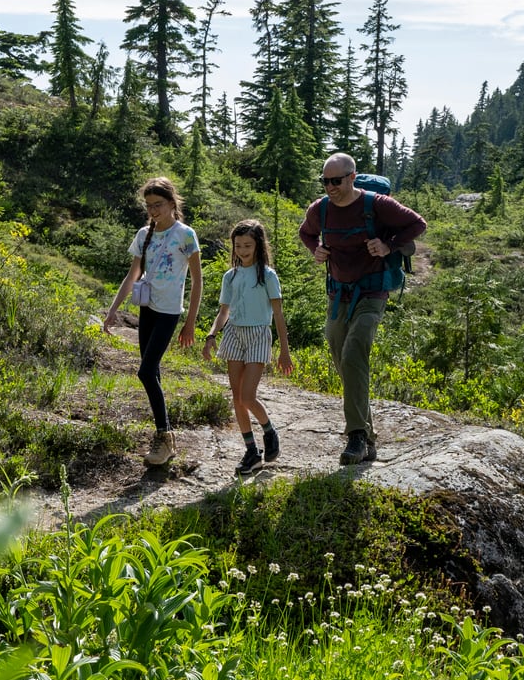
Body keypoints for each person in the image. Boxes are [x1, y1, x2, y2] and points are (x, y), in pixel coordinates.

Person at [299, 152, 427, 465]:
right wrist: (316, 250)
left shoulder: (377, 205)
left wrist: (389, 246)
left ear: (352, 177)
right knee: (341, 355)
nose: (330, 186)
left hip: (373, 292)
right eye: (326, 181)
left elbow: (417, 224)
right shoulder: (321, 209)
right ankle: (367, 437)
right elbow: (306, 232)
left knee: (355, 349)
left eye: (336, 180)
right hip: (338, 295)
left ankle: (355, 436)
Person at [103, 176, 202, 467]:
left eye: (158, 204)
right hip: (147, 309)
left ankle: (165, 435)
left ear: (172, 203)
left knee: (145, 372)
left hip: (170, 312)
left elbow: (197, 281)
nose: (153, 210)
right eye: (149, 206)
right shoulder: (144, 233)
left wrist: (190, 322)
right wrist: (113, 310)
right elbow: (132, 275)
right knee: (152, 371)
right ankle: (164, 438)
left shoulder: (186, 234)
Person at [203, 218, 294, 474]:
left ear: (258, 246)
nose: (242, 251)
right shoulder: (230, 276)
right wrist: (211, 336)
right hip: (233, 333)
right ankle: (251, 451)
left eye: (247, 246)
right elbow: (223, 312)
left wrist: (284, 351)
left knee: (248, 396)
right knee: (236, 398)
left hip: (258, 334)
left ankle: (269, 430)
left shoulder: (267, 276)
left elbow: (278, 315)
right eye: (238, 246)